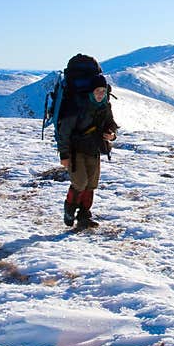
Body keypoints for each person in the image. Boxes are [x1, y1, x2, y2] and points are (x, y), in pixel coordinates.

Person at [56, 69, 118, 229]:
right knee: (80, 182)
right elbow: (65, 131)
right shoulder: (77, 107)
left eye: (103, 91)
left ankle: (84, 215)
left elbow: (111, 124)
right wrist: (64, 154)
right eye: (98, 91)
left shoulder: (105, 106)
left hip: (94, 148)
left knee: (91, 184)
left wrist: (111, 134)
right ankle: (69, 209)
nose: (100, 94)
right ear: (91, 91)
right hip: (76, 150)